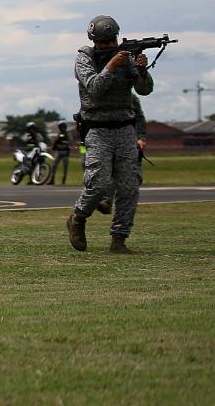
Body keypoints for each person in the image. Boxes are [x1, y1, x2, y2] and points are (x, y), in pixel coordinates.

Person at [67, 15, 153, 254]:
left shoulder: (126, 58)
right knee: (99, 182)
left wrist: (142, 70)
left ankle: (119, 239)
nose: (108, 46)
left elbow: (144, 90)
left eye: (111, 41)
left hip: (125, 128)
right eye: (103, 43)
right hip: (97, 130)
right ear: (94, 41)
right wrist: (111, 66)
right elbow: (94, 88)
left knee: (129, 186)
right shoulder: (84, 59)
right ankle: (78, 218)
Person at [96, 94, 147, 214]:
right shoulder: (101, 95)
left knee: (128, 177)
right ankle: (107, 200)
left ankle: (115, 204)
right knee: (110, 171)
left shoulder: (131, 97)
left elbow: (140, 117)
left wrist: (141, 137)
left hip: (128, 141)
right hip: (108, 140)